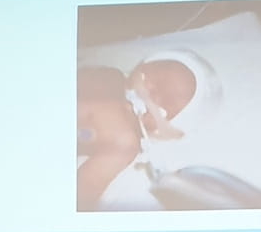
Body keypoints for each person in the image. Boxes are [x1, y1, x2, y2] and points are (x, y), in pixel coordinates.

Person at [76, 50, 221, 210]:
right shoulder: (105, 80)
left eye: (166, 102)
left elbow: (77, 200)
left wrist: (116, 152)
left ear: (167, 132)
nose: (150, 93)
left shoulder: (129, 160)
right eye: (157, 79)